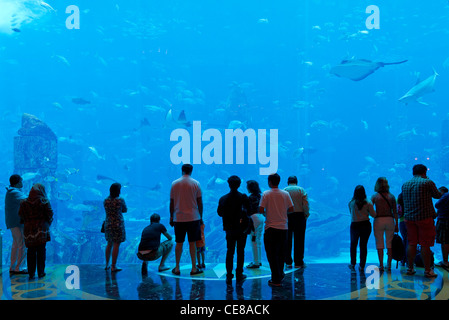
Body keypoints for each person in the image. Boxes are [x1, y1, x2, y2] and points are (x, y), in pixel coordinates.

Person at [401, 164, 441, 278]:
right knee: (425, 244)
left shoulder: (405, 184)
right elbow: (437, 195)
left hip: (409, 219)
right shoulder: (427, 182)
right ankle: (427, 270)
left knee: (412, 243)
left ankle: (410, 268)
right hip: (424, 218)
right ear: (425, 172)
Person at [259, 173, 294, 287]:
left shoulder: (266, 194)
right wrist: (283, 214)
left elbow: (260, 209)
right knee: (281, 252)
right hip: (283, 228)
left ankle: (276, 279)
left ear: (269, 182)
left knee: (271, 253)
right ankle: (280, 273)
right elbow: (292, 209)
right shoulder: (285, 193)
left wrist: (267, 213)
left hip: (270, 228)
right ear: (279, 181)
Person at [169, 164, 204, 276]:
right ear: (191, 171)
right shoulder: (196, 183)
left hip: (178, 218)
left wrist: (171, 216)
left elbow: (172, 202)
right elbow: (200, 202)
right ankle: (194, 268)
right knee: (192, 243)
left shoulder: (174, 183)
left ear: (182, 170)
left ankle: (177, 267)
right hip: (193, 218)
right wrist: (200, 217)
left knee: (179, 243)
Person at [217, 175, 250, 284]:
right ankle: (239, 274)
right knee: (241, 251)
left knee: (229, 251)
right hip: (241, 229)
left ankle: (229, 274)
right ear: (239, 184)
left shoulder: (223, 198)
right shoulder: (243, 197)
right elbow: (248, 212)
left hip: (229, 229)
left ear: (228, 184)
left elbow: (219, 213)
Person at [18, 183, 54, 279]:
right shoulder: (44, 201)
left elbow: (20, 214)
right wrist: (47, 223)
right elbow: (50, 214)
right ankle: (41, 272)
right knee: (41, 250)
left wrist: (27, 221)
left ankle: (31, 273)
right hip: (42, 229)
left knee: (31, 251)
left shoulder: (24, 202)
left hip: (29, 229)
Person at [371, 177, 398, 272]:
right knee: (389, 243)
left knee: (379, 243)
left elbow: (370, 209)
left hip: (378, 220)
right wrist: (397, 224)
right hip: (390, 220)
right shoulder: (392, 196)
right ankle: (389, 265)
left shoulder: (375, 196)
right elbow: (395, 212)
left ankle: (381, 265)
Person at [348, 185, 376, 272]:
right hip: (365, 225)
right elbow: (373, 215)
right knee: (363, 245)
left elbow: (351, 213)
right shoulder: (368, 202)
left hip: (355, 225)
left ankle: (353, 263)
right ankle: (362, 265)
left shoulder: (351, 203)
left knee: (353, 245)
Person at [284, 175, 309, 269]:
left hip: (288, 216)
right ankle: (298, 261)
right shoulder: (301, 190)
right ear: (296, 181)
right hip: (299, 216)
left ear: (288, 182)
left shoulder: (285, 190)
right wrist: (306, 214)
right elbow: (305, 203)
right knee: (299, 239)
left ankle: (288, 261)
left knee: (287, 239)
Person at [5, 174, 28, 275]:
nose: (22, 183)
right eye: (21, 181)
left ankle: (13, 266)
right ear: (18, 182)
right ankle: (19, 267)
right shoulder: (14, 192)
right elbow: (27, 200)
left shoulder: (11, 191)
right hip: (16, 222)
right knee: (22, 244)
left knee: (15, 244)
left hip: (12, 221)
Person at [104, 182, 127, 272]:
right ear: (118, 191)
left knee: (109, 244)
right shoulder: (120, 200)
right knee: (116, 244)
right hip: (118, 224)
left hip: (108, 224)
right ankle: (113, 266)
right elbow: (124, 210)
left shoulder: (105, 200)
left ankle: (107, 264)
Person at [246, 180, 265, 269]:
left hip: (254, 218)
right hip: (261, 217)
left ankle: (255, 262)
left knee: (253, 240)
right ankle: (259, 260)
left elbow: (247, 210)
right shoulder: (260, 196)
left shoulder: (250, 198)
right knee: (258, 240)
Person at [435, 187, 449, 269]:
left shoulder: (445, 195)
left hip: (444, 220)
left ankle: (445, 261)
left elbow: (437, 205)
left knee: (445, 241)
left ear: (442, 191)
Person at [397, 193, 408, 266]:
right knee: (410, 241)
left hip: (402, 221)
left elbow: (398, 212)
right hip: (411, 221)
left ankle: (403, 259)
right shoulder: (410, 198)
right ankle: (409, 260)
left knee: (404, 240)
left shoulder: (398, 199)